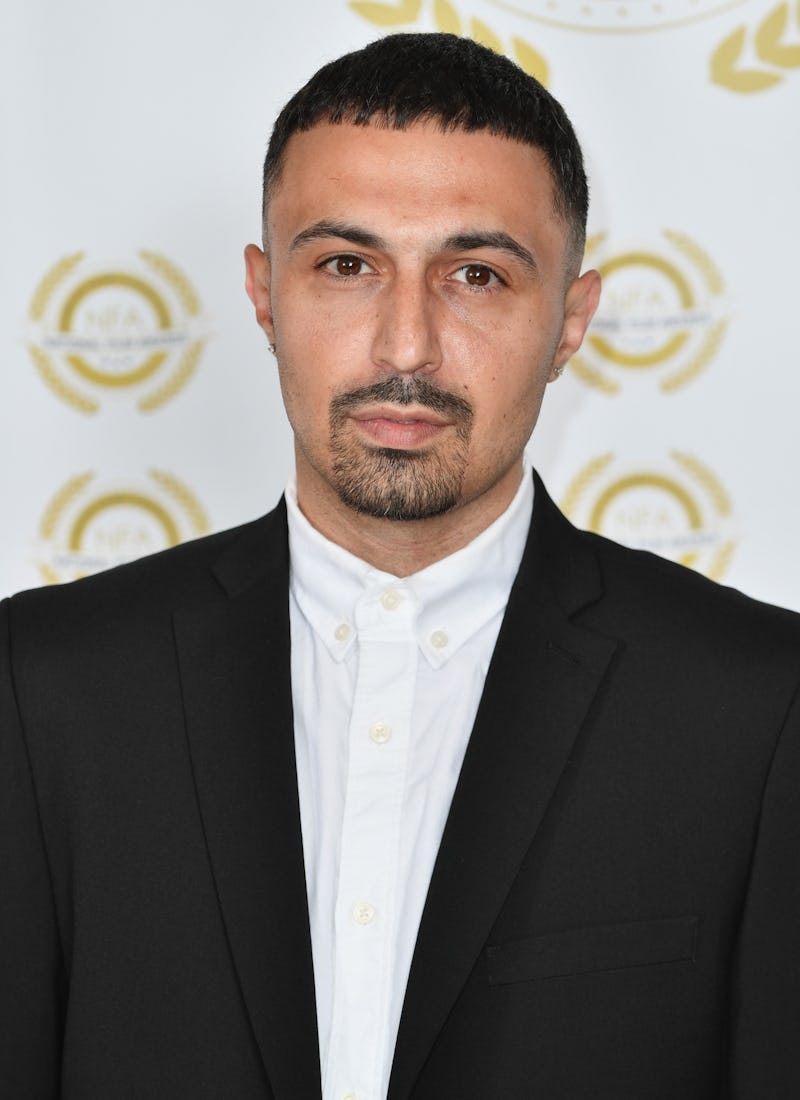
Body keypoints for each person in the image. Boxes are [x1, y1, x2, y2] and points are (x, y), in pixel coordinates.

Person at [1, 31, 798, 1100]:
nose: (405, 347)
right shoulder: (44, 684)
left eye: (474, 274)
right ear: (262, 293)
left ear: (569, 320)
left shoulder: (757, 704)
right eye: (345, 265)